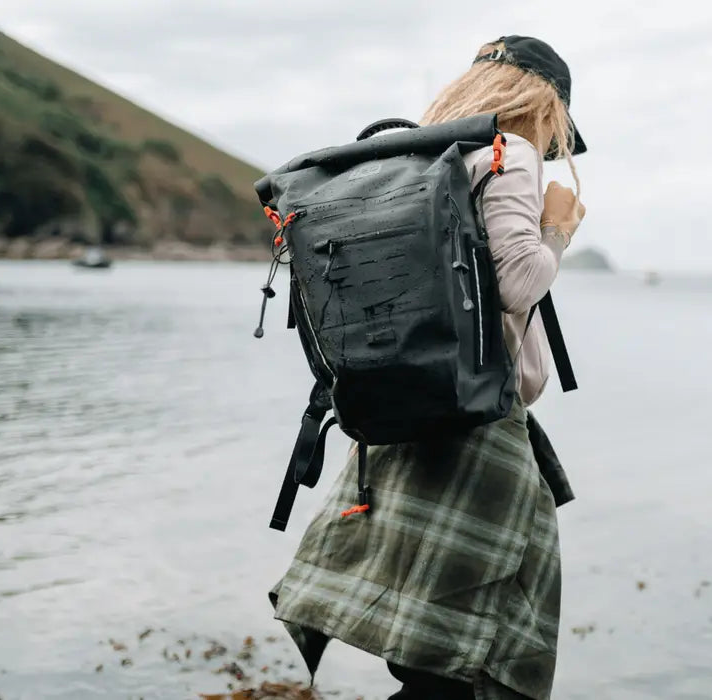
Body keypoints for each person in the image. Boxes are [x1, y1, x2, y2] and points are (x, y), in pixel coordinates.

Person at [268, 35, 587, 700]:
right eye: (557, 129)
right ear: (545, 106)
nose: (555, 145)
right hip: (481, 424)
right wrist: (558, 228)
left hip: (407, 411)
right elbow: (518, 280)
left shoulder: (423, 157)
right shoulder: (512, 151)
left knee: (427, 644)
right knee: (486, 647)